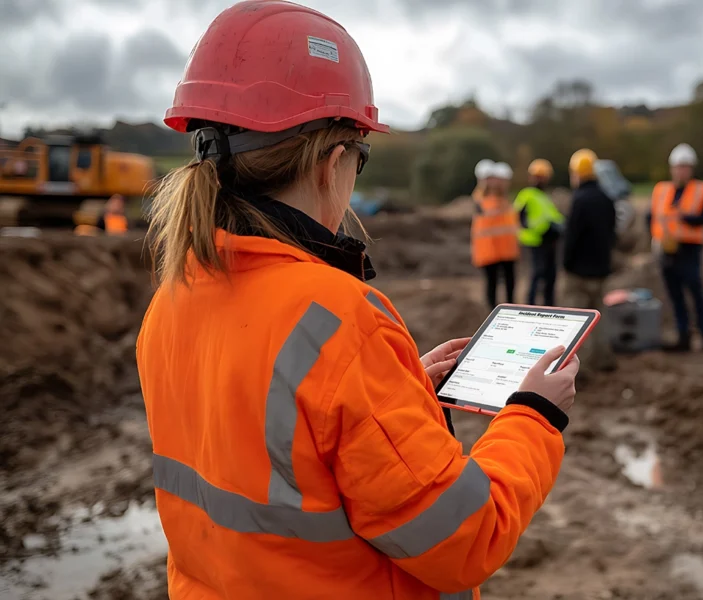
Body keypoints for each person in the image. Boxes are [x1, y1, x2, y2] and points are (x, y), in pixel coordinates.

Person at [136, 3, 580, 599]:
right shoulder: (340, 322)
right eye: (360, 156)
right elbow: (467, 538)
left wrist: (396, 394)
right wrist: (534, 414)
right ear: (332, 162)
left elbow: (274, 453)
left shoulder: (172, 298)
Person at [648, 143, 703, 352]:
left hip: (689, 250)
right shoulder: (662, 190)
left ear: (691, 169)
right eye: (678, 167)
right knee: (675, 296)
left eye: (685, 167)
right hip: (666, 250)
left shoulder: (700, 190)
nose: (681, 171)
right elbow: (650, 217)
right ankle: (683, 336)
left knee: (696, 294)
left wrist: (688, 218)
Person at [562, 149, 618, 372]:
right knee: (599, 318)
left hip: (579, 272)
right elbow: (613, 233)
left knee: (578, 323)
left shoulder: (579, 200)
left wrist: (566, 263)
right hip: (601, 269)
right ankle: (605, 360)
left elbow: (572, 236)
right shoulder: (606, 198)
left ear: (577, 173)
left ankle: (580, 369)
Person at [515, 158, 564, 306]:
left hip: (549, 241)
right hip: (535, 242)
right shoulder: (527, 194)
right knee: (537, 275)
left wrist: (559, 226)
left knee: (550, 276)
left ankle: (549, 305)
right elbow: (519, 217)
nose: (541, 179)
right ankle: (530, 305)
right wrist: (534, 230)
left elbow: (552, 216)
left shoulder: (544, 197)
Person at [471, 161, 520, 308]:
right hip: (489, 250)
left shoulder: (505, 200)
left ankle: (510, 309)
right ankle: (492, 312)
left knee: (510, 282)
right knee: (492, 284)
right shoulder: (480, 200)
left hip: (507, 249)